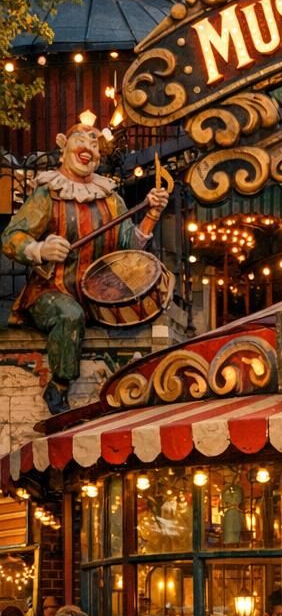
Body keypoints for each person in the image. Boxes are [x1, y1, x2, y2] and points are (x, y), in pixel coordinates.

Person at [1, 116, 170, 413]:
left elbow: (129, 248)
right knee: (69, 314)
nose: (89, 147)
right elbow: (11, 237)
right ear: (64, 147)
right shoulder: (48, 193)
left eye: (95, 143)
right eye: (82, 140)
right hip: (50, 291)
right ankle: (59, 387)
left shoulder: (110, 198)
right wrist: (40, 248)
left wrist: (152, 213)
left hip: (99, 295)